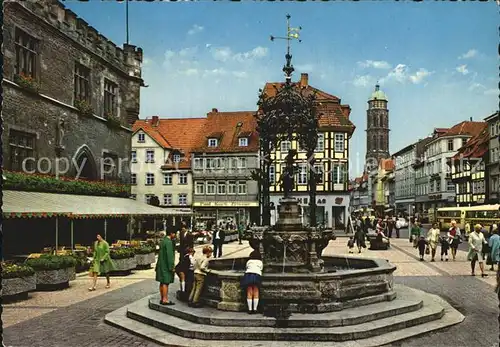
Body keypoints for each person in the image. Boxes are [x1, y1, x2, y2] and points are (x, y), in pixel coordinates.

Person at [155, 230, 176, 305]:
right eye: (175, 233)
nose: (175, 235)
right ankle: (165, 299)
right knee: (166, 283)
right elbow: (170, 256)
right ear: (171, 233)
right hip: (166, 266)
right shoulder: (169, 242)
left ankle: (162, 298)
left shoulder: (163, 241)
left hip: (161, 264)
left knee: (162, 282)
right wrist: (172, 267)